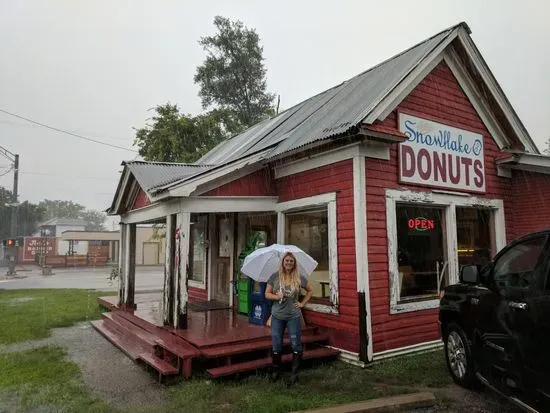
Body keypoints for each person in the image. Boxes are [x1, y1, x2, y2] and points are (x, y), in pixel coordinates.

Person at [265, 252, 313, 384]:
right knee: (276, 343)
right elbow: (267, 294)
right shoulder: (274, 277)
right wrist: (277, 297)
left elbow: (310, 290)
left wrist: (302, 303)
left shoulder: (299, 277)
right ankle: (276, 372)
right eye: (287, 261)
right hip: (277, 316)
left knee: (296, 344)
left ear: (294, 263)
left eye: (291, 261)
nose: (289, 263)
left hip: (293, 316)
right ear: (283, 262)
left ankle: (294, 374)